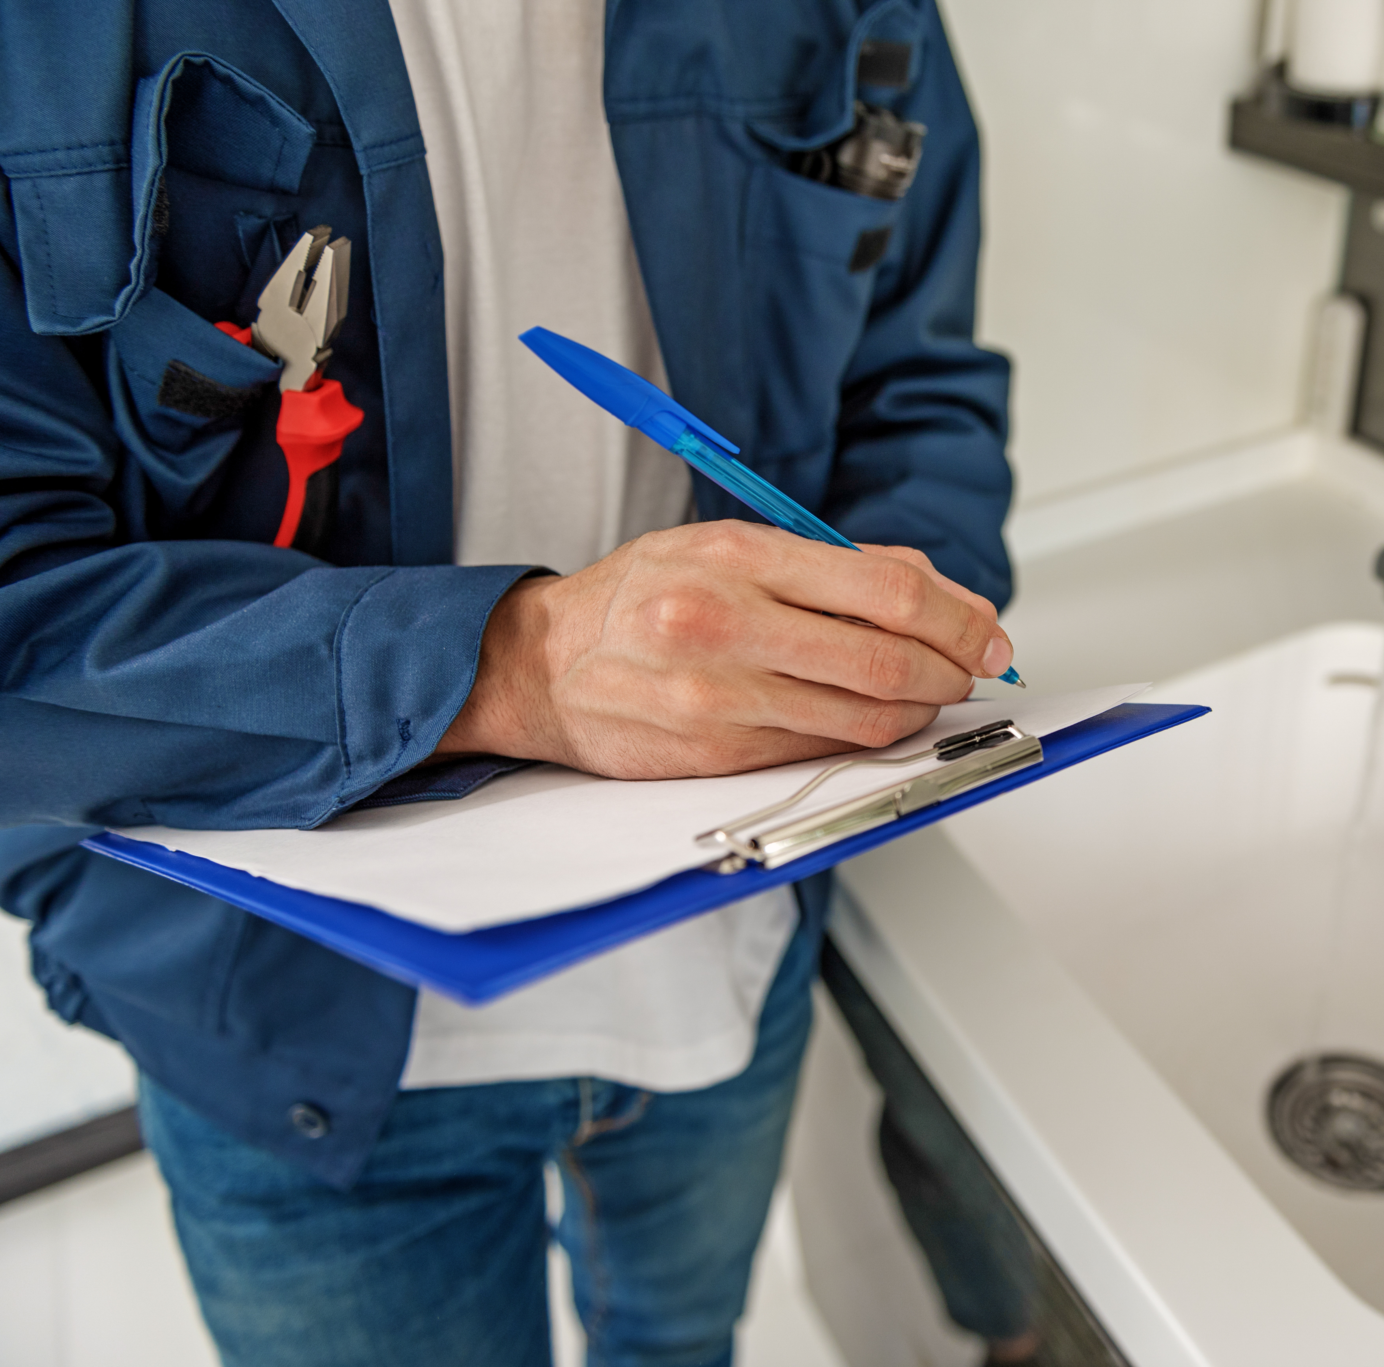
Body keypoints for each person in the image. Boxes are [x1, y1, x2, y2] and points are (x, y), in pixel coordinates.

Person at [0, 2, 1037, 1364]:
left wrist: (899, 627)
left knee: (682, 1340)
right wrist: (516, 668)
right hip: (288, 1035)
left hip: (728, 956)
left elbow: (922, 379)